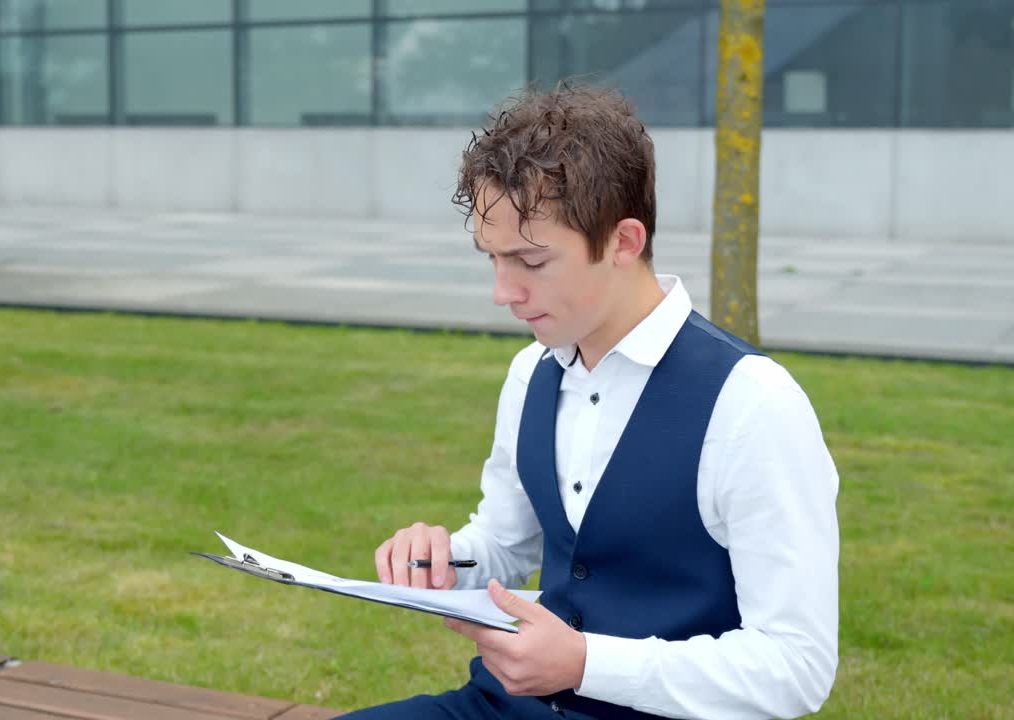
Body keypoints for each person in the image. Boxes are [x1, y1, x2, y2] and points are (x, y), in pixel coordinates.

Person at [343, 84, 839, 720]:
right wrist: (442, 560)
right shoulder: (532, 374)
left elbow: (796, 667)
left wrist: (584, 664)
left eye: (530, 260)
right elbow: (506, 543)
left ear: (624, 242)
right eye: (493, 260)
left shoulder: (753, 405)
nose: (503, 293)